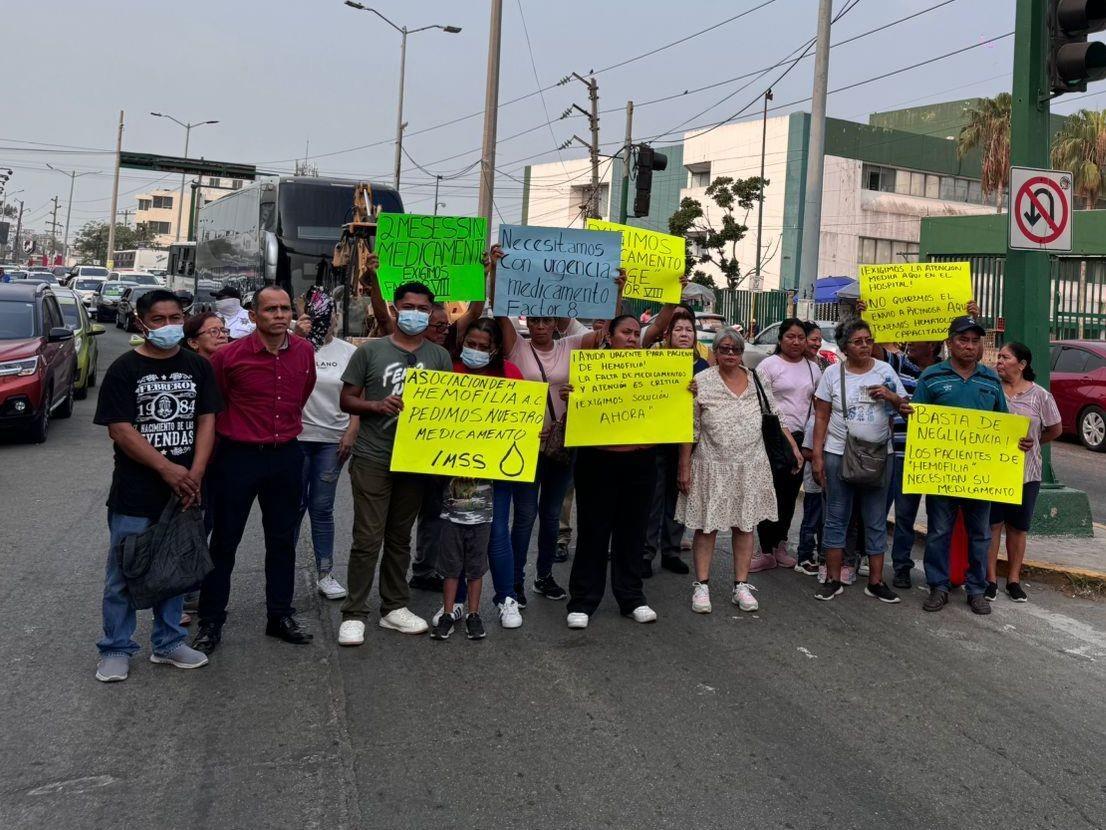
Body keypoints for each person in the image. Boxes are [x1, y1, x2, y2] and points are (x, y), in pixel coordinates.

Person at [93, 289, 222, 682]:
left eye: (175, 318)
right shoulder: (124, 369)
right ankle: (115, 647)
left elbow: (207, 420)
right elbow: (120, 429)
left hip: (185, 491)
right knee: (123, 574)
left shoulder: (197, 368)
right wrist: (168, 469)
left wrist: (195, 473)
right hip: (136, 493)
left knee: (176, 571)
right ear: (140, 322)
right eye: (158, 320)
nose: (168, 326)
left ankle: (168, 643)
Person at [191, 285, 317, 654]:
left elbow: (303, 393)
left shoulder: (304, 352)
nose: (279, 315)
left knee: (282, 541)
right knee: (224, 542)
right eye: (270, 310)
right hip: (237, 458)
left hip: (286, 456)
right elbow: (213, 407)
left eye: (284, 309)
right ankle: (211, 621)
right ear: (253, 316)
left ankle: (280, 614)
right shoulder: (229, 357)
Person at [492, 267, 617, 626]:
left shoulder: (572, 344)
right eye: (535, 319)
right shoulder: (516, 346)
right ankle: (513, 581)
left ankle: (543, 575)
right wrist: (495, 272)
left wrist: (615, 292)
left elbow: (604, 332)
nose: (541, 325)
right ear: (527, 320)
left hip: (562, 448)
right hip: (526, 447)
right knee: (525, 516)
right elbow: (499, 310)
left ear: (557, 322)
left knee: (551, 517)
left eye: (547, 319)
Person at [337, 281, 453, 645]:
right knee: (368, 537)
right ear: (395, 308)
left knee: (400, 537)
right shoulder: (370, 353)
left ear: (431, 312)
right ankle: (354, 612)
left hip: (414, 460)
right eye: (408, 306)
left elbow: (449, 406)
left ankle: (394, 607)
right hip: (373, 456)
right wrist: (376, 405)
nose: (415, 314)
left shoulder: (439, 356)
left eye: (422, 308)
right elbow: (347, 399)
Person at [677, 328, 801, 614]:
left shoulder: (757, 378)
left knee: (745, 526)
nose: (730, 354)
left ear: (741, 352)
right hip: (711, 464)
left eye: (735, 349)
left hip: (751, 464)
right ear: (715, 352)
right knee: (706, 527)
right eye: (724, 349)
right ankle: (702, 585)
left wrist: (793, 446)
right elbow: (689, 427)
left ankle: (741, 585)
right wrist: (684, 466)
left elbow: (775, 415)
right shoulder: (701, 382)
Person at [902, 315, 1012, 615]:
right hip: (941, 474)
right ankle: (937, 586)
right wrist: (910, 415)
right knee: (938, 531)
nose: (969, 346)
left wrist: (1019, 442)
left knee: (980, 534)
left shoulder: (991, 380)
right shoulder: (932, 377)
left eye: (975, 341)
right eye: (963, 340)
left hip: (979, 476)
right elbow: (918, 421)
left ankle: (976, 589)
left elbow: (1003, 425)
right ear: (949, 343)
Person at [563, 314, 662, 629]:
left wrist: (684, 390)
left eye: (636, 333)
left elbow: (667, 405)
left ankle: (631, 597)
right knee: (593, 530)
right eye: (626, 332)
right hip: (598, 461)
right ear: (610, 335)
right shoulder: (593, 366)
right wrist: (571, 396)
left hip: (640, 461)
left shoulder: (654, 369)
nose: (632, 337)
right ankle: (582, 600)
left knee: (632, 532)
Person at [429, 318, 522, 640]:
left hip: (496, 472)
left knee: (495, 533)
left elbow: (524, 418)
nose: (477, 351)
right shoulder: (449, 371)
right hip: (454, 472)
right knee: (454, 537)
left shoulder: (510, 374)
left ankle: (505, 597)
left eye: (484, 347)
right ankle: (453, 604)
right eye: (472, 344)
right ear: (463, 341)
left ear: (495, 348)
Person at [811, 318, 906, 603]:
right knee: (836, 518)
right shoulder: (832, 375)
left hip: (879, 456)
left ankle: (876, 581)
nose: (865, 346)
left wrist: (891, 396)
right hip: (839, 454)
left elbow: (906, 408)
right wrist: (817, 455)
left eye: (868, 340)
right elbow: (822, 416)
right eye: (857, 341)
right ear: (844, 347)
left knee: (876, 519)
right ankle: (832, 577)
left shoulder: (885, 370)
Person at [295, 289, 359, 601]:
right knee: (292, 508)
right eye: (318, 314)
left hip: (332, 442)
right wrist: (297, 336)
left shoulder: (348, 351)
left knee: (322, 508)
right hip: (295, 439)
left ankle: (325, 572)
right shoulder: (294, 345)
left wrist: (351, 432)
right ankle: (280, 572)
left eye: (329, 313)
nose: (326, 320)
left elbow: (359, 396)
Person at [985, 342, 1061, 603]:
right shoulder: (991, 390)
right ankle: (991, 579)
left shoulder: (1040, 395)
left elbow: (1055, 428)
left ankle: (1014, 580)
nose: (999, 361)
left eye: (1005, 357)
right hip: (994, 471)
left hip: (1027, 473)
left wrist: (1035, 439)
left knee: (1018, 527)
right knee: (992, 524)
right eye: (999, 357)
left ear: (1022, 364)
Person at [754, 318, 823, 573]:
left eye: (800, 337)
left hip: (801, 439)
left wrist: (806, 443)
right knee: (768, 492)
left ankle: (781, 546)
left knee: (789, 495)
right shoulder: (768, 366)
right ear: (780, 339)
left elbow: (818, 407)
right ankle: (765, 550)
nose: (795, 342)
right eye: (790, 337)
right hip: (772, 439)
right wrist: (790, 442)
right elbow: (767, 406)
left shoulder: (813, 368)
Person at [639, 301, 702, 577]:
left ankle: (672, 550)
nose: (684, 334)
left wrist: (698, 390)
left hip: (687, 441)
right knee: (652, 497)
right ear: (669, 334)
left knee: (679, 497)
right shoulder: (654, 355)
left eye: (689, 329)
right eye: (678, 329)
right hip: (656, 437)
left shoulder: (702, 365)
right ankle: (646, 551)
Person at [886, 340, 943, 588]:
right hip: (903, 454)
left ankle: (937, 573)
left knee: (940, 520)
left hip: (937, 460)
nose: (909, 343)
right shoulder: (898, 364)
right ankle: (901, 566)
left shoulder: (946, 371)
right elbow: (876, 350)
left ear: (931, 344)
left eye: (916, 339)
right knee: (904, 516)